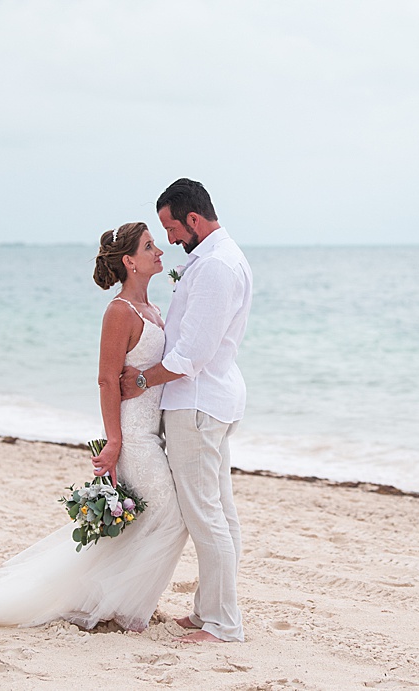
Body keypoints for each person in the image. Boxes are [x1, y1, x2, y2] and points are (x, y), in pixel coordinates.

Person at [0, 222, 187, 632]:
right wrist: (114, 441)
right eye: (149, 246)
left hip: (153, 432)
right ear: (129, 261)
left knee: (147, 520)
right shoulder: (120, 311)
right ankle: (121, 608)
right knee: (171, 517)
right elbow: (106, 380)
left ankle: (111, 603)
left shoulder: (152, 309)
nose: (159, 252)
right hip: (134, 436)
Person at [120, 179, 252, 643]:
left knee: (205, 516)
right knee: (220, 514)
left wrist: (140, 380)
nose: (170, 239)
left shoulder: (216, 266)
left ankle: (223, 623)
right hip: (210, 401)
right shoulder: (218, 258)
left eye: (172, 229)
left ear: (193, 219)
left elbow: (190, 356)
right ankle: (208, 611)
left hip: (197, 405)